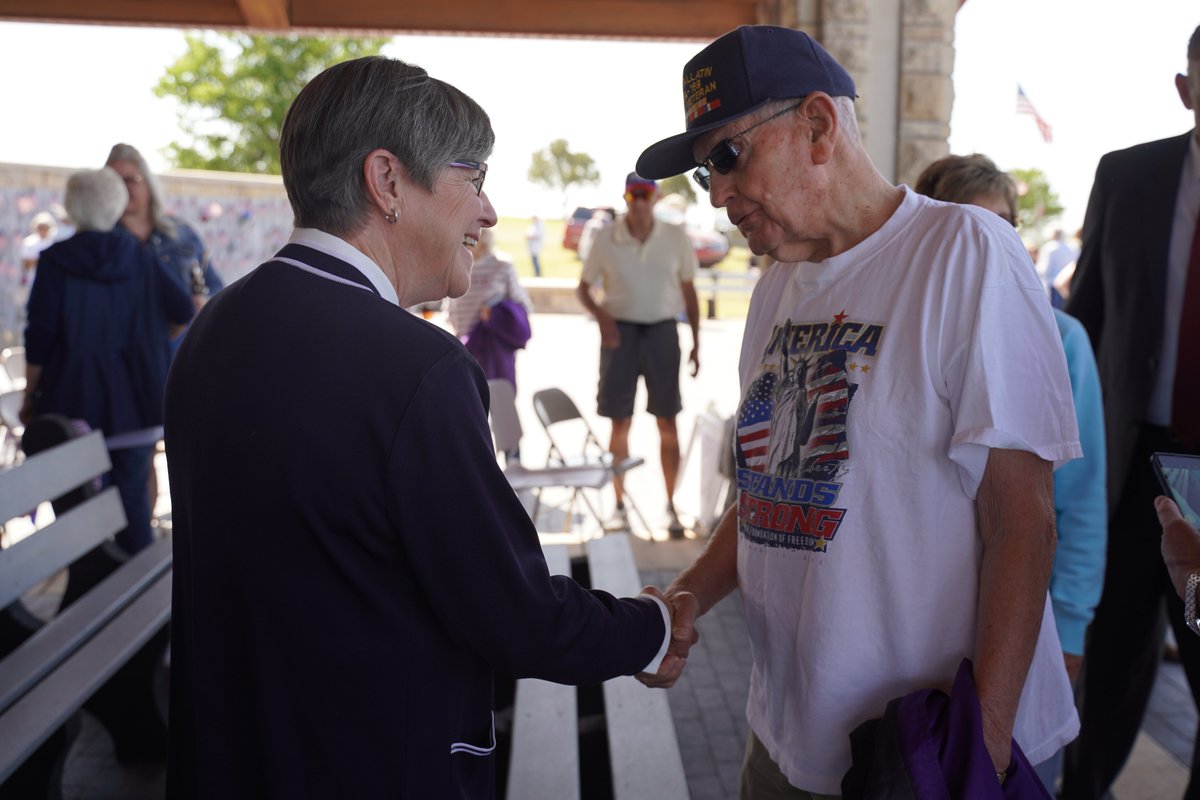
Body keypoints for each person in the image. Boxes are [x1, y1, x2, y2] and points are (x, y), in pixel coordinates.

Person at [163, 55, 679, 800]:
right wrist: (649, 629)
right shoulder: (416, 368)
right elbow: (509, 610)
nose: (489, 211)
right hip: (367, 763)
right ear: (388, 181)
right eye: (474, 178)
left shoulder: (218, 326)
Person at [633, 25, 1081, 796]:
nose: (718, 193)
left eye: (727, 157)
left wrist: (982, 754)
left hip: (923, 747)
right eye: (704, 173)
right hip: (787, 735)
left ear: (817, 124)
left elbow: (1022, 518)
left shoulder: (963, 252)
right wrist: (686, 599)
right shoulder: (777, 286)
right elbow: (767, 494)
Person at [914, 152, 1108, 791]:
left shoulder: (1062, 338)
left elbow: (1077, 501)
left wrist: (1073, 623)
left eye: (1007, 225)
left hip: (1020, 634)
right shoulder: (904, 330)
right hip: (915, 636)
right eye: (973, 225)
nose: (994, 244)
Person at [1060, 24, 1200, 800]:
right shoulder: (1127, 176)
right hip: (1128, 467)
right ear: (1186, 90)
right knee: (1108, 670)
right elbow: (1084, 322)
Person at [22, 167, 194, 555]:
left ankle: (86, 598)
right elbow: (183, 309)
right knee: (134, 506)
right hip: (135, 402)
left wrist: (30, 394)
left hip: (72, 405)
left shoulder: (55, 261)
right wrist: (151, 340)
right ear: (117, 204)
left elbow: (40, 335)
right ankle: (139, 601)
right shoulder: (140, 255)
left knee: (75, 510)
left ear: (71, 208)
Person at [576, 172, 700, 537]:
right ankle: (618, 507)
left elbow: (690, 293)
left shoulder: (675, 238)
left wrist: (697, 342)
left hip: (663, 332)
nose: (640, 202)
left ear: (657, 197)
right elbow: (583, 289)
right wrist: (603, 319)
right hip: (620, 335)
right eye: (634, 195)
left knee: (667, 420)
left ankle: (671, 505)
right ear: (626, 198)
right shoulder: (605, 237)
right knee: (619, 421)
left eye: (646, 194)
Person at [104, 143, 223, 344]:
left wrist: (203, 307)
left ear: (148, 184)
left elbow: (216, 288)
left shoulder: (182, 233)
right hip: (123, 363)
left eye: (130, 180)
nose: (122, 188)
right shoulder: (100, 241)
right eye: (113, 181)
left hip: (182, 359)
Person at [447, 226, 534, 388]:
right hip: (466, 342)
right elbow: (452, 303)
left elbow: (521, 303)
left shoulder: (502, 265)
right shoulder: (456, 263)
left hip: (495, 344)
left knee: (500, 394)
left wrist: (496, 315)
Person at [20, 211, 56, 282]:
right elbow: (26, 264)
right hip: (34, 279)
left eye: (45, 227)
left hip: (51, 278)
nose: (42, 230)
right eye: (40, 227)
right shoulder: (29, 242)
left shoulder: (54, 242)